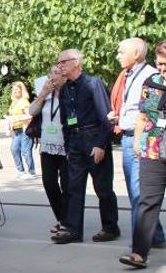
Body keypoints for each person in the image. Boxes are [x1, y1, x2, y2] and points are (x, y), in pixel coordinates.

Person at [51, 49, 120, 244]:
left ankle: (110, 227)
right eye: (59, 63)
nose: (60, 66)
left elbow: (106, 118)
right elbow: (65, 120)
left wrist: (100, 144)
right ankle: (73, 230)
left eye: (63, 62)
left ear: (76, 63)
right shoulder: (65, 89)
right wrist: (67, 145)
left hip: (93, 137)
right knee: (73, 187)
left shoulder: (93, 84)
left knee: (103, 187)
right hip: (75, 141)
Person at [110, 38, 164, 245]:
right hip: (130, 138)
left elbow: (148, 114)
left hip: (146, 141)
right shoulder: (128, 75)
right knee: (139, 194)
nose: (118, 56)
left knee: (139, 195)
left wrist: (140, 141)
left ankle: (138, 245)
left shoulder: (151, 75)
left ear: (136, 54)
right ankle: (155, 236)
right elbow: (137, 109)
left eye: (122, 52)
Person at [30, 66, 69, 234]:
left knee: (68, 185)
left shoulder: (70, 92)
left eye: (58, 73)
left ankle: (68, 220)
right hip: (47, 145)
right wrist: (43, 94)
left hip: (67, 145)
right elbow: (32, 111)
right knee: (49, 183)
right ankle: (62, 218)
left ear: (65, 76)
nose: (54, 76)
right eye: (52, 73)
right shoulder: (45, 93)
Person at [7, 81, 35, 178]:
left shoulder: (24, 101)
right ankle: (20, 170)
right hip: (16, 130)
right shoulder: (14, 102)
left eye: (17, 89)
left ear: (21, 91)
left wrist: (17, 118)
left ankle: (31, 172)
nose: (15, 91)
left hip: (25, 129)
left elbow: (29, 116)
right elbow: (11, 116)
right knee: (14, 149)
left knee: (25, 150)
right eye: (13, 89)